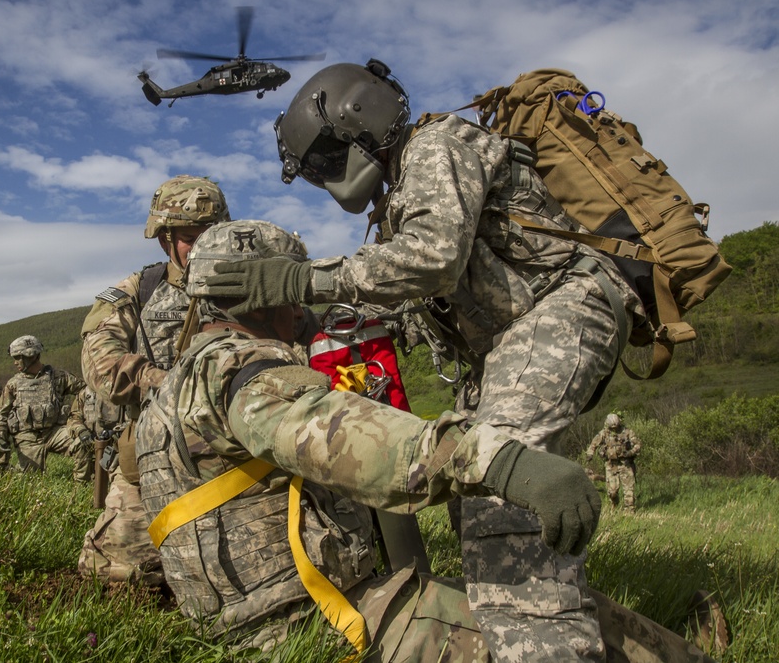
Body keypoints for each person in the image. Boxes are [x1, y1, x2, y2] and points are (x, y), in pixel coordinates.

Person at [203, 60, 647, 661]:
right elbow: (410, 293)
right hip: (510, 338)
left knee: (501, 493)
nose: (331, 176)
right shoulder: (400, 197)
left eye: (330, 157)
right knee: (472, 486)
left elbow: (433, 259)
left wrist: (304, 279)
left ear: (359, 121)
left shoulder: (435, 147)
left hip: (563, 307)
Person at [135, 220, 713, 663]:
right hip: (316, 622)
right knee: (542, 628)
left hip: (269, 616)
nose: (299, 307)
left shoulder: (174, 385)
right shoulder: (240, 371)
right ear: (259, 296)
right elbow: (342, 438)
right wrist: (506, 464)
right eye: (289, 290)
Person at [77, 175, 232, 586]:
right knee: (116, 575)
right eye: (188, 237)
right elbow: (100, 362)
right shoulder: (138, 292)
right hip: (153, 458)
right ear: (165, 239)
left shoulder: (251, 290)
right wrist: (163, 381)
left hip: (237, 455)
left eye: (210, 235)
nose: (200, 246)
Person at [0, 335, 90, 481]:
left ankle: (82, 485)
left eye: (18, 357)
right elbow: (2, 414)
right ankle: (11, 472)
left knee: (83, 443)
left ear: (31, 356)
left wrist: (76, 416)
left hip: (55, 432)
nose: (15, 363)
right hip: (28, 437)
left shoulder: (58, 377)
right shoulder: (13, 384)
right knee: (30, 481)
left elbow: (86, 391)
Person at [587, 413, 642, 513]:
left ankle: (629, 511)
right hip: (611, 465)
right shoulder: (604, 433)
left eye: (616, 427)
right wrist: (590, 454)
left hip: (625, 464)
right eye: (612, 427)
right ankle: (614, 504)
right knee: (612, 491)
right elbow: (594, 443)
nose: (614, 429)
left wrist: (630, 452)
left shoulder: (627, 432)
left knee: (629, 490)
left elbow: (638, 445)